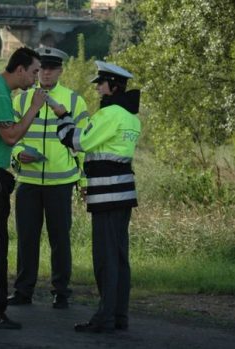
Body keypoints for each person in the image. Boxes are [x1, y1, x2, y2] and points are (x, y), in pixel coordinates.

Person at [0, 47, 66, 330]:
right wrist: (34, 107)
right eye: (33, 72)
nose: (36, 79)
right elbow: (9, 136)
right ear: (19, 69)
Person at [55, 60, 141, 333]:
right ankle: (119, 316)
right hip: (123, 191)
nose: (98, 89)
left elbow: (78, 141)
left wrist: (62, 116)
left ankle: (103, 319)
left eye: (101, 84)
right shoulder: (131, 117)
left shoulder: (110, 114)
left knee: (105, 259)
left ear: (113, 86)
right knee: (119, 258)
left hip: (107, 194)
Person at [7, 47, 89, 310]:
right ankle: (23, 291)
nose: (46, 72)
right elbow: (8, 138)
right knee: (26, 239)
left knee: (60, 241)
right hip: (28, 182)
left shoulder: (74, 101)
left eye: (52, 68)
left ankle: (61, 292)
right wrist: (19, 155)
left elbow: (85, 145)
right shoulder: (20, 100)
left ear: (60, 70)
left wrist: (84, 182)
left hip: (61, 184)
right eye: (42, 67)